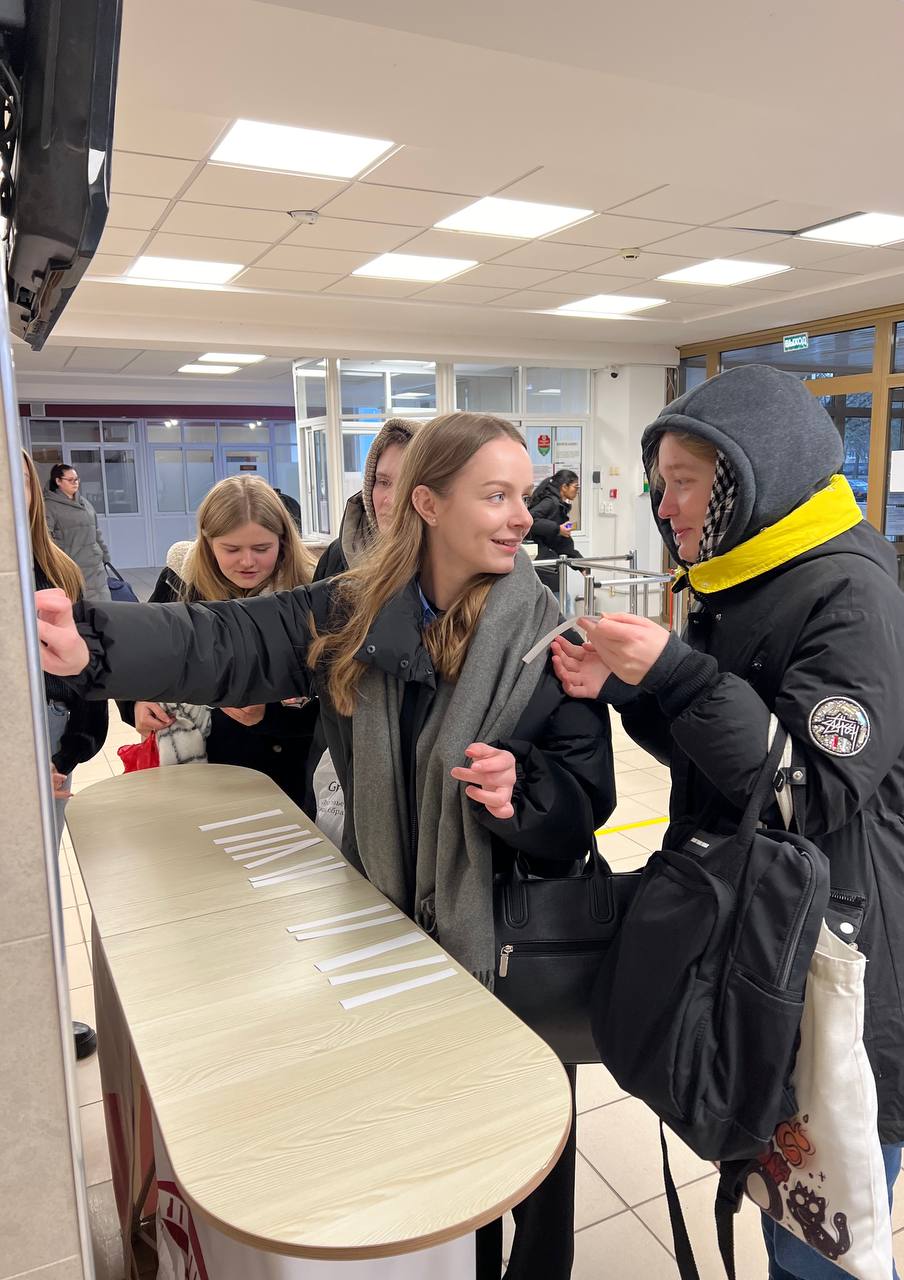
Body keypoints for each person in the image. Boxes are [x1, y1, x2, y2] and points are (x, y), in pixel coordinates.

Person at [37, 411, 615, 1280]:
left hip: (507, 945)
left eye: (520, 495)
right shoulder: (352, 613)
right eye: (494, 495)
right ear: (427, 503)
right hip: (391, 929)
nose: (518, 516)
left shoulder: (546, 639)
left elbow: (585, 801)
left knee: (527, 1158)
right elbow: (225, 641)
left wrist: (522, 795)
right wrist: (92, 644)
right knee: (434, 1148)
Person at [551, 364, 904, 1280]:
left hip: (848, 969)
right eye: (660, 485)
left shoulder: (853, 601)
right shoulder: (749, 585)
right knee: (785, 1224)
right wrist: (635, 690)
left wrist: (678, 674)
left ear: (751, 476)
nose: (665, 507)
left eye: (684, 482)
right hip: (773, 953)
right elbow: (722, 771)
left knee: (826, 1252)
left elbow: (801, 794)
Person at [119, 475, 319, 811]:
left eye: (262, 548)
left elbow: (338, 702)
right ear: (208, 543)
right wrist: (136, 703)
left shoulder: (311, 594)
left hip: (289, 777)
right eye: (231, 549)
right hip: (200, 774)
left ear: (284, 541)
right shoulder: (180, 583)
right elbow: (136, 658)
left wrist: (269, 716)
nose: (247, 561)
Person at [22, 450, 107, 1061]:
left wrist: (72, 751)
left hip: (47, 736)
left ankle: (41, 1010)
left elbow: (84, 669)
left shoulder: (53, 567)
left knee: (36, 887)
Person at [312, 417, 418, 580]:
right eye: (383, 482)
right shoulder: (336, 558)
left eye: (407, 485)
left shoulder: (449, 568)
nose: (391, 500)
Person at [44, 462, 111, 603]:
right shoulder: (49, 506)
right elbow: (46, 539)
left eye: (77, 479)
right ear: (58, 481)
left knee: (104, 605)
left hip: (96, 566)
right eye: (70, 480)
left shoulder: (85, 503)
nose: (75, 483)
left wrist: (104, 554)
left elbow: (96, 531)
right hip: (73, 567)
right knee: (82, 606)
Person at [525, 469, 583, 610]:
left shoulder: (558, 505)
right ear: (564, 487)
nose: (577, 491)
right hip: (545, 565)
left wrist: (580, 564)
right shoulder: (550, 502)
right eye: (575, 487)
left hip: (548, 564)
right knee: (561, 605)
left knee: (562, 603)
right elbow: (530, 520)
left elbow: (561, 544)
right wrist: (557, 528)